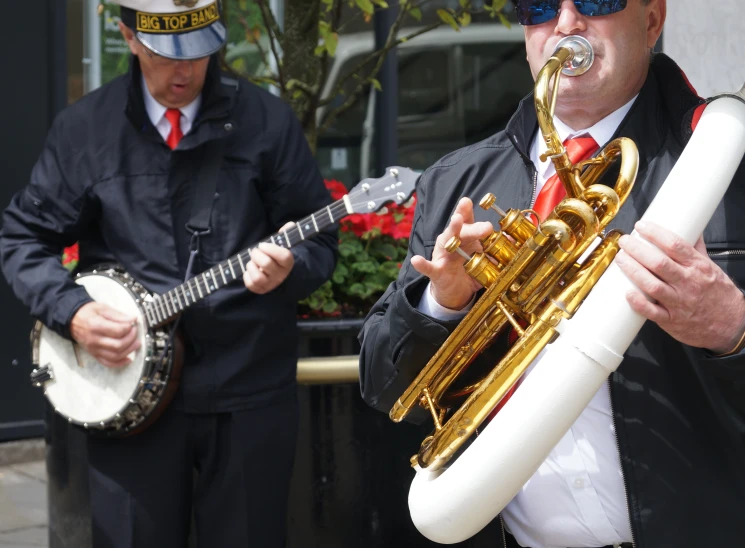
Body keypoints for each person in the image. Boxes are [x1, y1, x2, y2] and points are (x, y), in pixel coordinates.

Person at [358, 0, 745, 546]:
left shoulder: (725, 157)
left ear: (653, 19)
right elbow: (383, 387)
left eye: (597, 2)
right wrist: (442, 305)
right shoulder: (456, 181)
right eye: (537, 6)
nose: (564, 25)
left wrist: (733, 330)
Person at [0, 0, 337, 546]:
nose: (184, 72)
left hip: (247, 391)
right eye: (165, 54)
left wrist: (291, 268)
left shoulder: (266, 122)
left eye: (200, 53)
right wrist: (74, 314)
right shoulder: (85, 130)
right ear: (128, 37)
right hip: (127, 395)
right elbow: (23, 239)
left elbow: (321, 240)